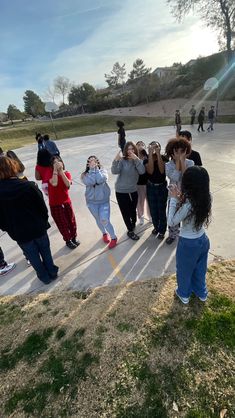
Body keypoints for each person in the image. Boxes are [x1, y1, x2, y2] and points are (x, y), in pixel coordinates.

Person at [0, 156, 58, 284]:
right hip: (37, 227)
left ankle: (43, 277)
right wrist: (43, 221)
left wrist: (8, 228)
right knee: (45, 251)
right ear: (13, 167)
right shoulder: (28, 186)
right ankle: (52, 272)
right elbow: (42, 208)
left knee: (32, 257)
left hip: (19, 232)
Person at [168, 166, 211, 304]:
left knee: (184, 270)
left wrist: (174, 199)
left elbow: (171, 221)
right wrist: (181, 197)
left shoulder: (188, 205)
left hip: (188, 244)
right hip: (203, 240)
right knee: (200, 269)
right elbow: (192, 205)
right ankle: (201, 292)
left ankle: (184, 294)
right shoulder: (207, 197)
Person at [81, 156, 117, 249]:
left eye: (95, 161)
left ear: (98, 162)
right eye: (90, 161)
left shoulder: (103, 172)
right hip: (91, 202)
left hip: (104, 201)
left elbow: (100, 180)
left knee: (104, 219)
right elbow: (91, 182)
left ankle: (113, 238)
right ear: (87, 163)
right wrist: (92, 170)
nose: (92, 163)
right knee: (98, 219)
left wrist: (96, 169)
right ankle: (104, 233)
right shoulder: (84, 175)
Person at [111, 141, 145, 240]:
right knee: (125, 212)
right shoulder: (122, 160)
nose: (130, 151)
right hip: (121, 191)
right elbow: (114, 171)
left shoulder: (138, 160)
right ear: (125, 150)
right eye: (128, 149)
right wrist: (115, 160)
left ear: (135, 150)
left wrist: (137, 159)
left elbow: (142, 171)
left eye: (132, 149)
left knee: (132, 211)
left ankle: (132, 224)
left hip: (133, 190)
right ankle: (130, 231)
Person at [165, 138, 194, 245]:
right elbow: (176, 177)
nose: (179, 154)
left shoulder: (190, 162)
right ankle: (172, 235)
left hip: (187, 196)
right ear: (171, 152)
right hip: (173, 196)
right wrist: (178, 162)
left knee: (187, 217)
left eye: (182, 151)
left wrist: (182, 161)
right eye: (176, 152)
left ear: (186, 151)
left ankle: (185, 235)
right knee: (172, 216)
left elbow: (187, 177)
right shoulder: (168, 165)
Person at [48, 156, 79, 249]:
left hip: (66, 202)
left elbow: (68, 185)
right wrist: (55, 171)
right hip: (55, 204)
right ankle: (68, 240)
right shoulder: (49, 174)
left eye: (59, 161)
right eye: (54, 162)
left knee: (71, 221)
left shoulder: (67, 173)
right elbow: (54, 183)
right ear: (51, 165)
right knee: (62, 223)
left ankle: (73, 237)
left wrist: (61, 172)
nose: (57, 164)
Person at [146, 141, 168, 239]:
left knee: (161, 210)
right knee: (153, 209)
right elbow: (150, 171)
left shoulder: (164, 158)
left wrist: (158, 154)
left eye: (157, 147)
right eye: (153, 147)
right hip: (151, 186)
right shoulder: (147, 158)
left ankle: (162, 230)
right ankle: (156, 227)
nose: (155, 148)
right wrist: (150, 154)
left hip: (162, 186)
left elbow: (162, 170)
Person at [136, 141, 151, 225]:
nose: (140, 146)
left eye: (142, 144)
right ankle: (140, 216)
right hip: (139, 183)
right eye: (138, 144)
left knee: (149, 201)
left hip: (148, 183)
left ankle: (150, 216)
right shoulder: (134, 158)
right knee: (140, 201)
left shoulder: (148, 157)